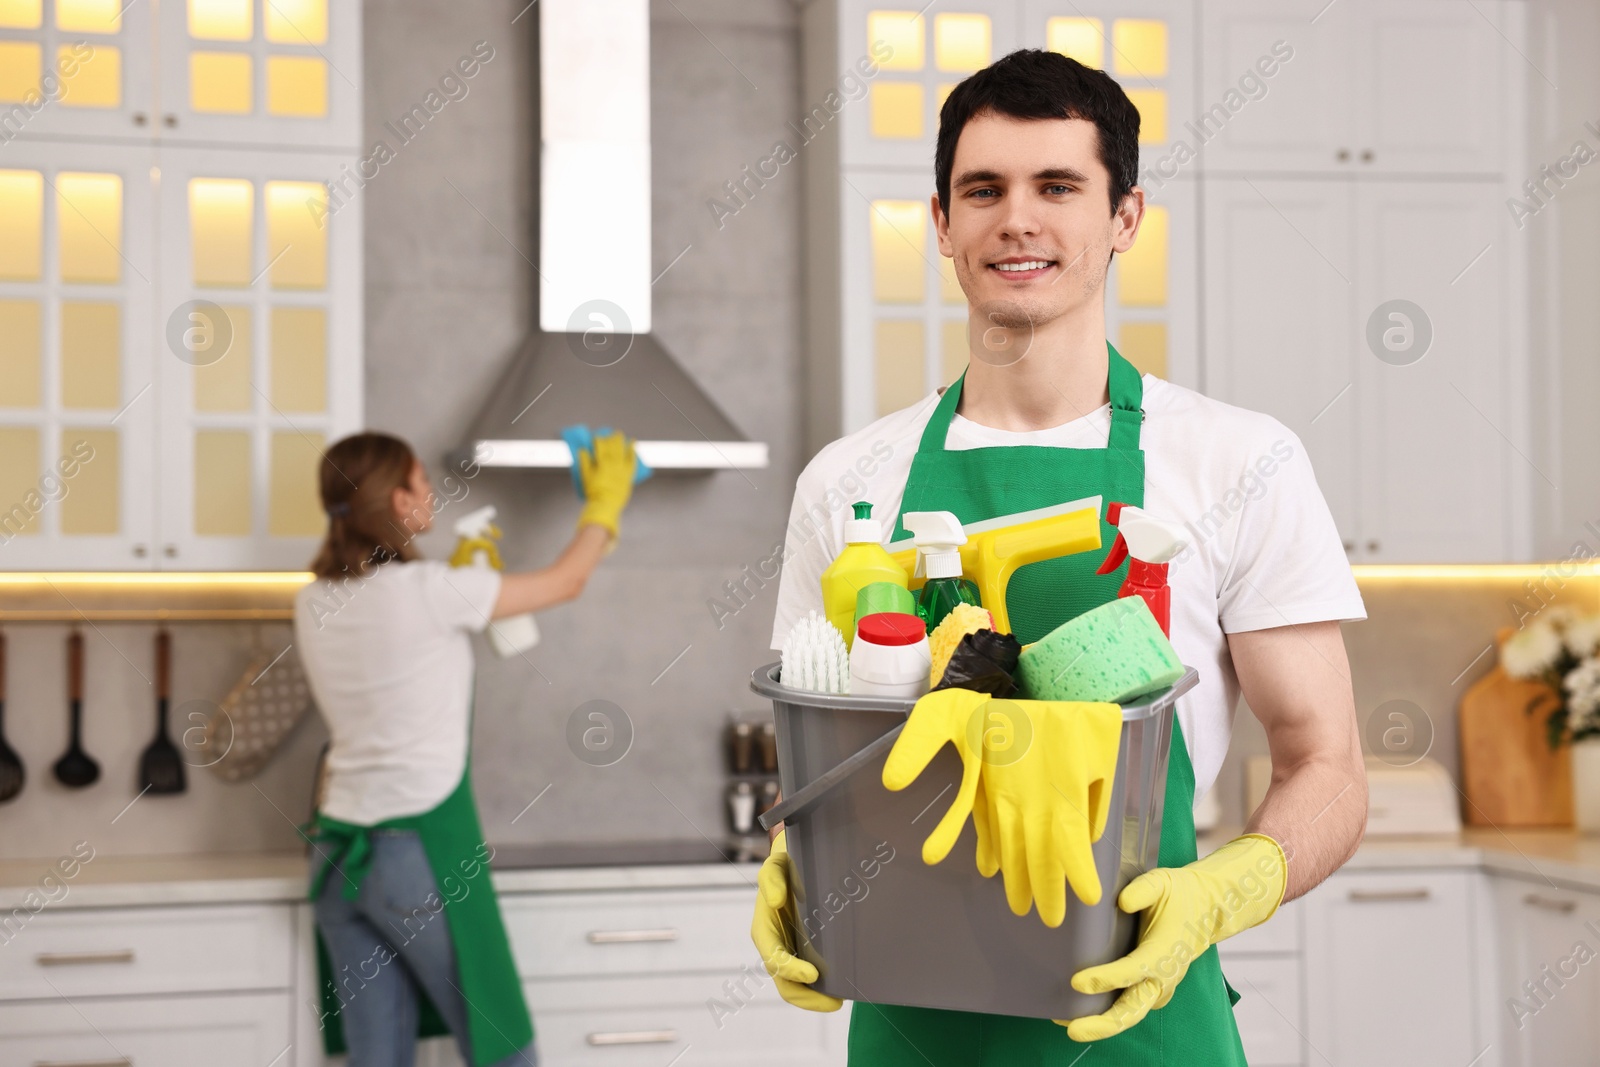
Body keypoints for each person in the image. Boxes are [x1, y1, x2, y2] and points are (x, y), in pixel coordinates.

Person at [754, 49, 1368, 1063]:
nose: (1018, 220)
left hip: (1144, 1015)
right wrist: (795, 864)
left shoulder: (1235, 459)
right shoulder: (846, 479)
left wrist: (1223, 889)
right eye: (982, 189)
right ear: (942, 223)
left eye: (1057, 186)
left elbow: (1329, 764)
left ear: (1123, 217)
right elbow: (831, 756)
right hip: (914, 1025)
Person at [293, 430, 637, 1067]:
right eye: (422, 484)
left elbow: (399, 623)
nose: (431, 495)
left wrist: (464, 572)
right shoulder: (428, 591)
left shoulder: (312, 600)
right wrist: (605, 506)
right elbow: (566, 582)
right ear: (398, 500)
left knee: (379, 1060)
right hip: (416, 858)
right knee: (506, 1052)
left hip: (339, 856)